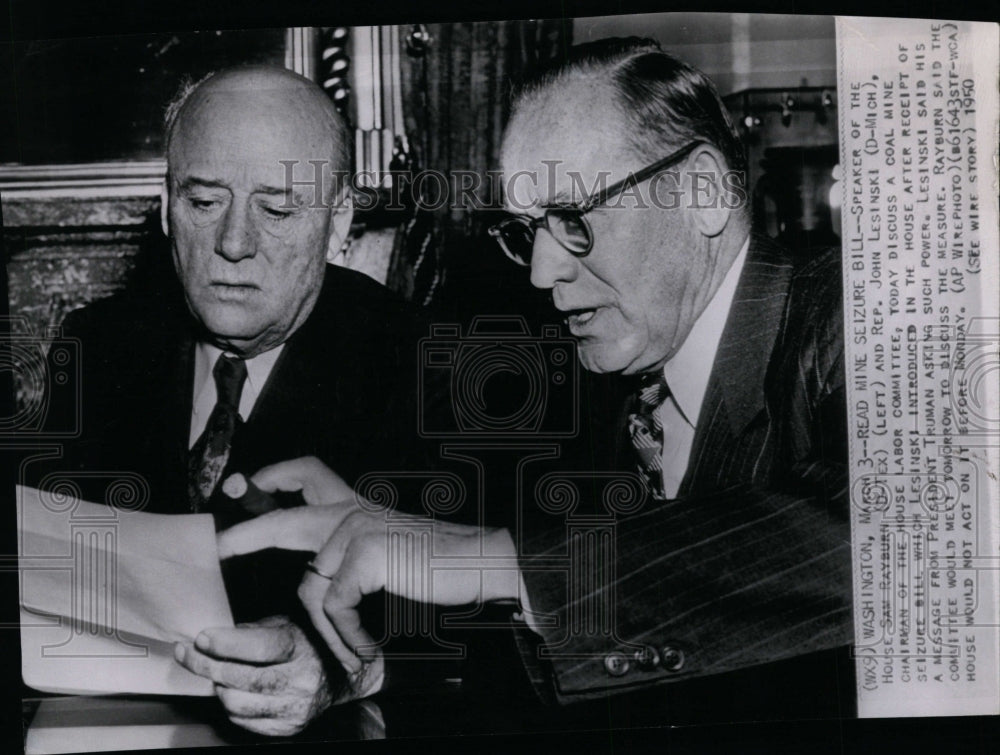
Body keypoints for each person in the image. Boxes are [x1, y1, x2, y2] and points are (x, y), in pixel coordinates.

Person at [202, 38, 853, 721]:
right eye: (527, 231)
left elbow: (888, 547)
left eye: (572, 219)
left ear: (703, 192)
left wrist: (496, 560)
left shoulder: (856, 313)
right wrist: (358, 672)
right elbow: (608, 642)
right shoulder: (614, 386)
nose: (542, 273)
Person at [32, 65, 438, 735]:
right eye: (203, 202)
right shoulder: (98, 345)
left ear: (338, 222)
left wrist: (340, 664)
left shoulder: (422, 365)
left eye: (276, 209)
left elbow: (482, 621)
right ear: (164, 206)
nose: (234, 243)